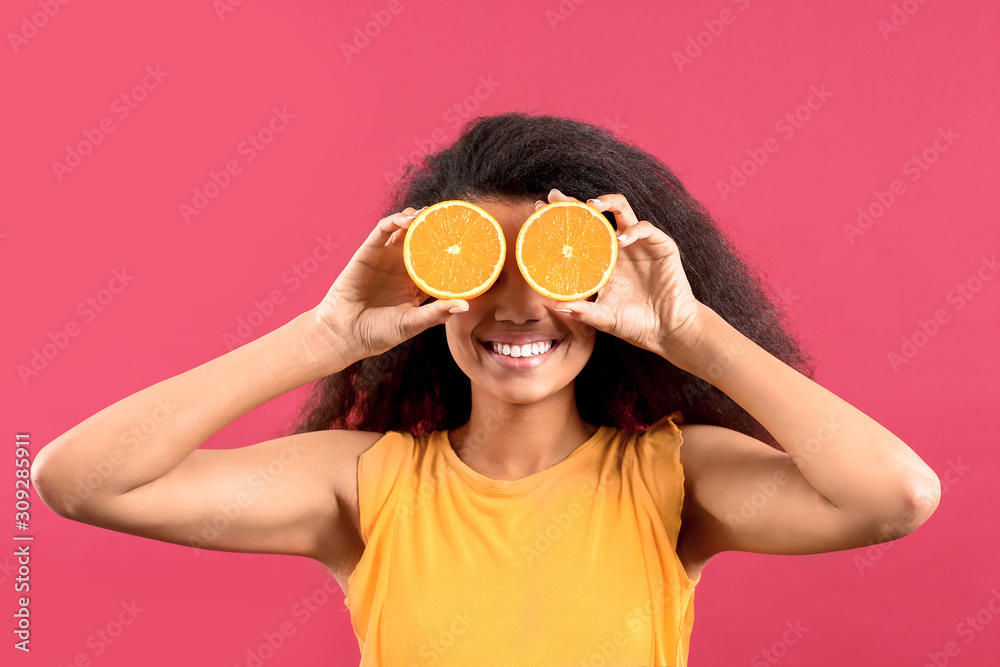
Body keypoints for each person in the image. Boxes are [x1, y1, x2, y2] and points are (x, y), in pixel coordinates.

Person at [32, 113, 941, 666]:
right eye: (480, 269)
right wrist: (322, 337)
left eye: (554, 266)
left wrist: (691, 331)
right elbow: (79, 480)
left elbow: (895, 495)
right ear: (430, 292)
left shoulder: (674, 480)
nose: (517, 308)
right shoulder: (365, 485)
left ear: (604, 285)